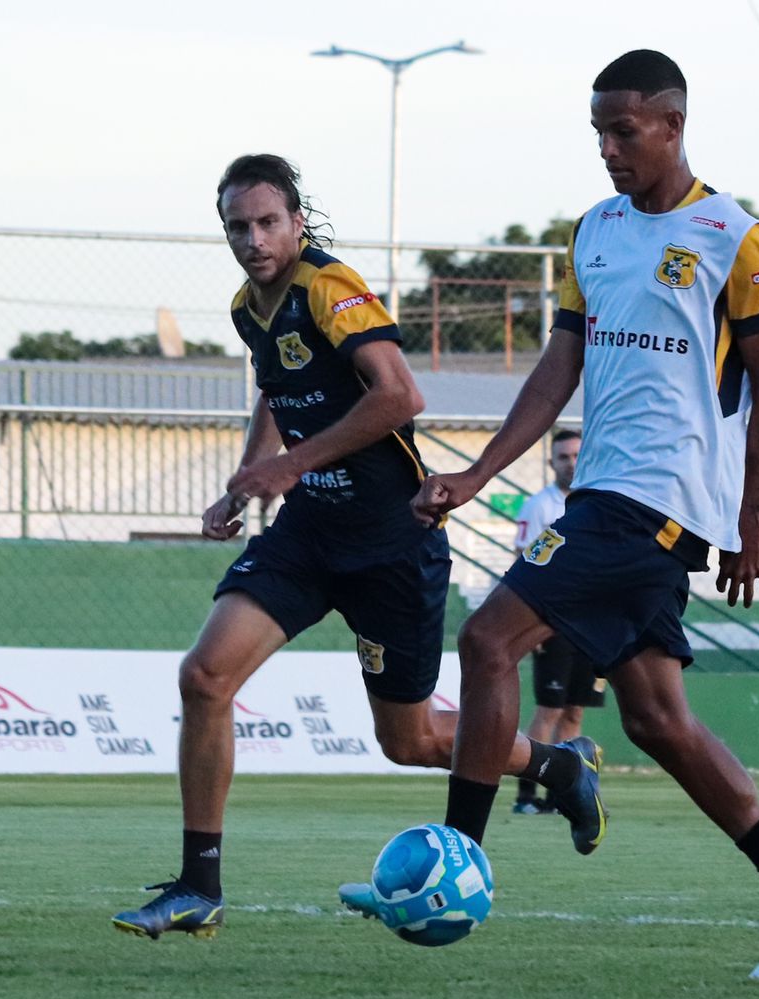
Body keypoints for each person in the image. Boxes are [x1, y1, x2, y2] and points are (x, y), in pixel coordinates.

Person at [410, 51, 759, 979]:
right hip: (606, 492)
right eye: (598, 133)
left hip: (659, 499)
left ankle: (460, 861)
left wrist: (752, 521)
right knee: (657, 720)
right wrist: (478, 469)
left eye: (625, 131)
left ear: (672, 124)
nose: (609, 149)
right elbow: (556, 370)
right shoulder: (595, 234)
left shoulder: (738, 238)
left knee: (490, 642)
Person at [111, 154, 598, 940]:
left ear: (298, 222)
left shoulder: (329, 289)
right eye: (238, 225)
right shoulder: (249, 307)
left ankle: (556, 765)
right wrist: (245, 482)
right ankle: (199, 887)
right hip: (308, 536)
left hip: (390, 543)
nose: (253, 238)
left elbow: (402, 394)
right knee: (204, 677)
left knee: (410, 741)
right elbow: (278, 387)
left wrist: (291, 464)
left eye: (268, 222)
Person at [509, 429, 605, 815]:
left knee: (574, 710)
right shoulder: (539, 506)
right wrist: (526, 621)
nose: (571, 462)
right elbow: (522, 563)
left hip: (592, 623)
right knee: (548, 710)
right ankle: (527, 794)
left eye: (577, 455)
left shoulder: (600, 503)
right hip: (552, 621)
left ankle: (563, 794)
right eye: (563, 456)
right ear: (552, 462)